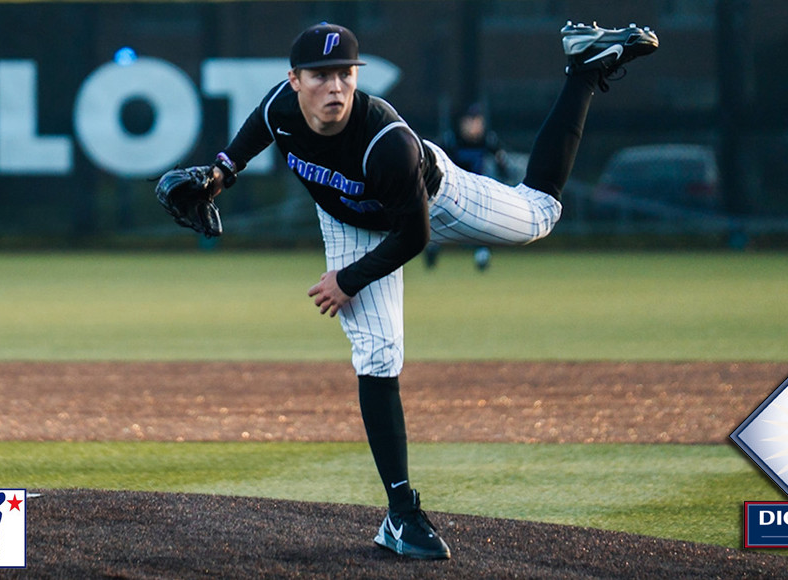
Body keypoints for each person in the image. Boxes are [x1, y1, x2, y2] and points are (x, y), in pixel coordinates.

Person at [207, 20, 658, 560]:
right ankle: (400, 515)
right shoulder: (280, 106)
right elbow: (259, 125)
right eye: (320, 75)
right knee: (378, 354)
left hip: (432, 203)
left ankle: (583, 70)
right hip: (351, 223)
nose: (334, 87)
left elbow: (414, 235)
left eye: (344, 73)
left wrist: (347, 280)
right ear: (294, 80)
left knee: (540, 216)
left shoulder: (385, 141)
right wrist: (220, 174)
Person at [425, 103, 511, 271]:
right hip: (451, 190)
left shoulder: (488, 139)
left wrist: (503, 176)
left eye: (477, 121)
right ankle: (432, 248)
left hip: (475, 191)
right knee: (439, 220)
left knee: (481, 222)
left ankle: (482, 254)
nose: (473, 125)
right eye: (469, 121)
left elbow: (503, 163)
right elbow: (433, 159)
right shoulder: (451, 139)